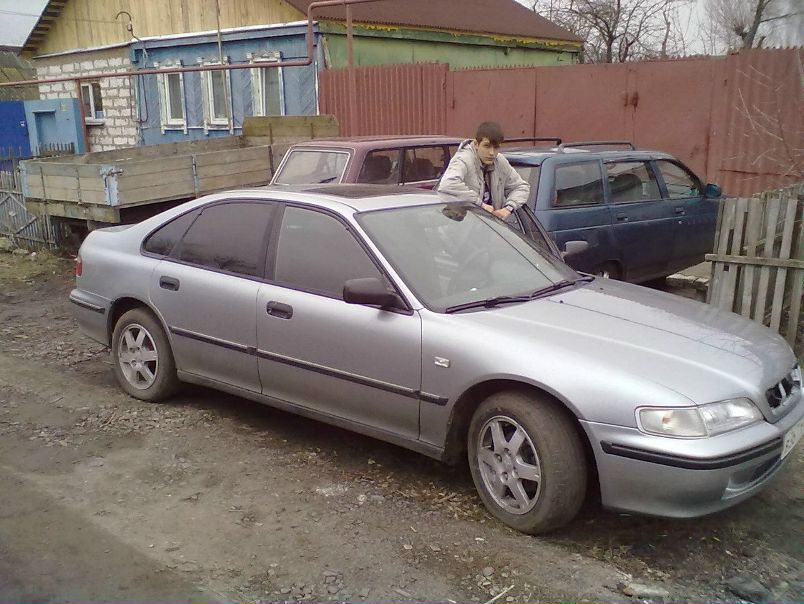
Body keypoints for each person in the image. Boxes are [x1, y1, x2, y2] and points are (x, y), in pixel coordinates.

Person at [437, 121, 529, 220]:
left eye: (496, 147)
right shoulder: (464, 159)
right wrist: (480, 205)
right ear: (476, 144)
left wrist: (508, 209)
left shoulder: (499, 161)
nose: (492, 153)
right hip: (459, 224)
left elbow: (521, 187)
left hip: (488, 225)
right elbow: (448, 184)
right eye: (487, 146)